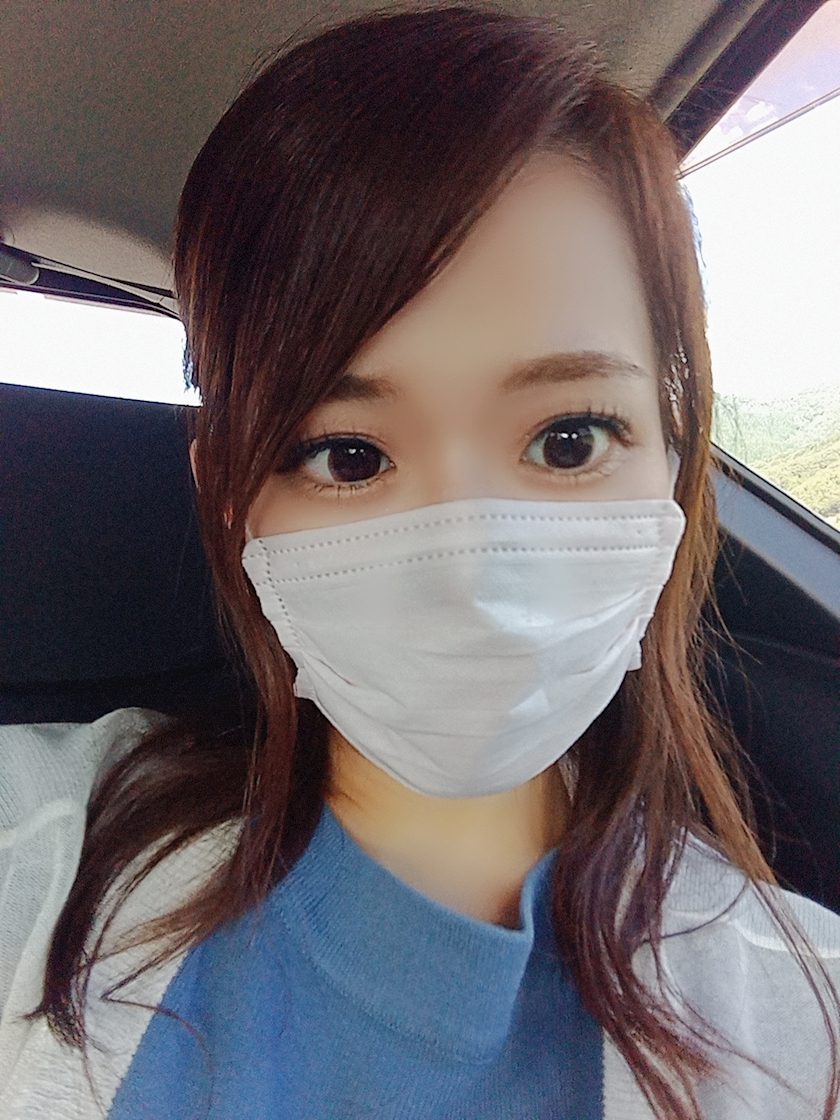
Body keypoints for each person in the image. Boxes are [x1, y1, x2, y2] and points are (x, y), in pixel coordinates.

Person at [0, 6, 838, 1119]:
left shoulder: (808, 1023)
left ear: (675, 464)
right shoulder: (37, 854)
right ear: (230, 500)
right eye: (348, 455)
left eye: (569, 439)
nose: (470, 580)